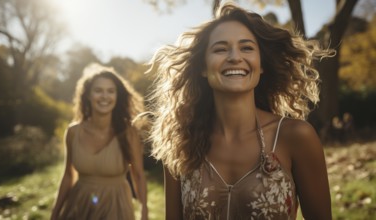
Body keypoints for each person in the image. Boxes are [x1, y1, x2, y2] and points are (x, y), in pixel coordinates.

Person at [148, 2, 333, 219]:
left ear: (261, 64)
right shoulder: (181, 143)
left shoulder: (295, 136)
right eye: (220, 49)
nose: (235, 57)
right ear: (203, 68)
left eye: (246, 48)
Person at [51, 64, 148, 220]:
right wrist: (55, 213)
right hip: (79, 206)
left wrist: (144, 211)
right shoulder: (73, 132)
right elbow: (69, 175)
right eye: (98, 90)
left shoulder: (129, 133)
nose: (105, 96)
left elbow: (138, 175)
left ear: (117, 96)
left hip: (116, 207)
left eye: (111, 91)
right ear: (88, 95)